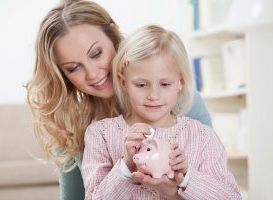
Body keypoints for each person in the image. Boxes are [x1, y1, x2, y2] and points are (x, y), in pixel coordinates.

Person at [25, 1, 212, 199]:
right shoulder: (74, 128)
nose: (92, 73)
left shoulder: (181, 100)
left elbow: (214, 184)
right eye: (73, 67)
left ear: (113, 32)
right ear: (63, 75)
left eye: (97, 54)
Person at [82, 24, 241, 199]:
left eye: (165, 84)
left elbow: (231, 197)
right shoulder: (100, 135)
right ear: (123, 82)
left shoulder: (202, 137)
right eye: (141, 85)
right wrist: (126, 166)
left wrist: (187, 178)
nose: (153, 95)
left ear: (180, 83)